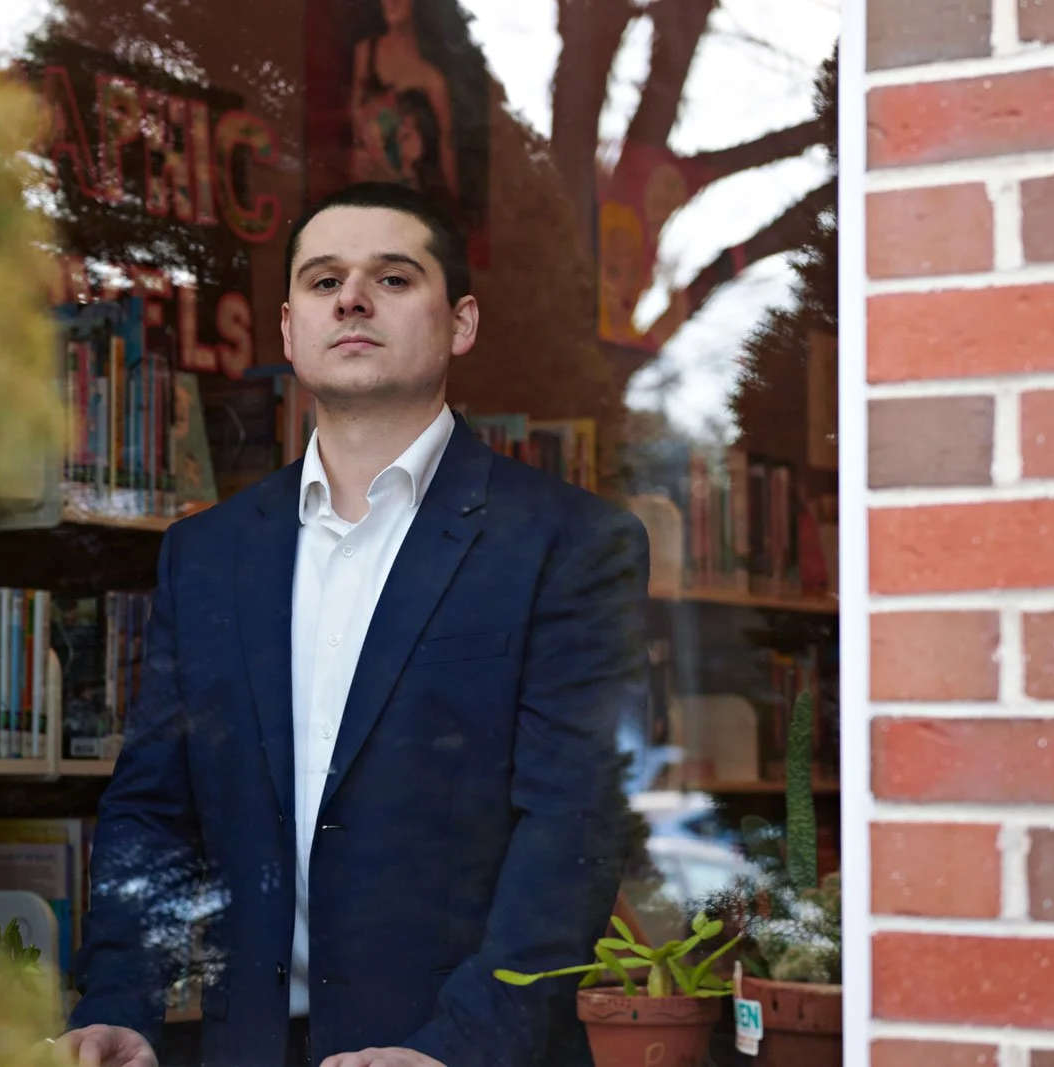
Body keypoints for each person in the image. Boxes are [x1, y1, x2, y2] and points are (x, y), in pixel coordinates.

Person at [53, 181, 650, 1067]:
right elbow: (154, 810)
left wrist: (457, 1048)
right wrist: (121, 1002)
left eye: (394, 278)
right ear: (290, 329)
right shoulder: (208, 553)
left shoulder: (570, 543)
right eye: (324, 280)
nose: (353, 299)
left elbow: (574, 826)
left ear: (462, 323)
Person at [350, 0, 457, 199]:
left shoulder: (433, 80)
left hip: (410, 197)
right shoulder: (366, 53)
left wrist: (452, 202)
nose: (391, 2)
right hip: (369, 190)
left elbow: (447, 145)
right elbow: (355, 125)